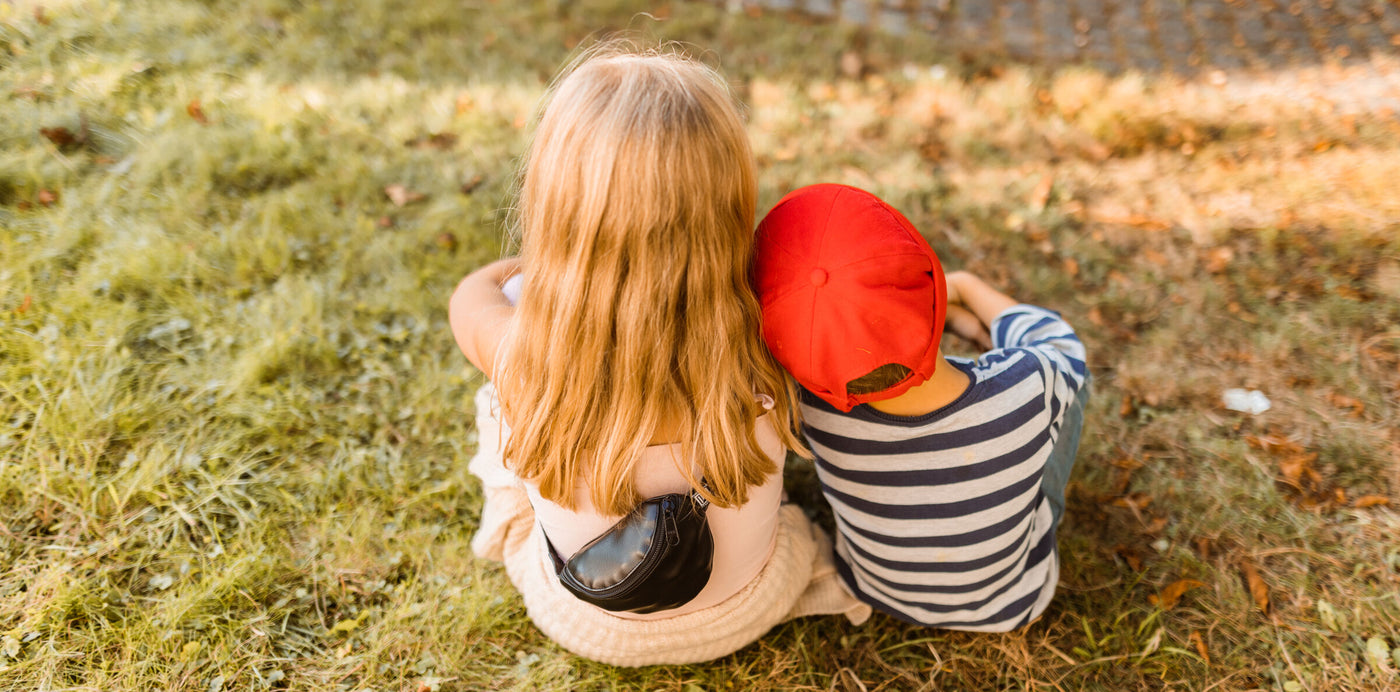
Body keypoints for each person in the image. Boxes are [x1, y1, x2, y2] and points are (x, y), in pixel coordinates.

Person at [448, 46, 869, 666]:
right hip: (748, 605)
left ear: (561, 214)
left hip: (585, 613)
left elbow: (472, 294)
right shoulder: (769, 341)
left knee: (497, 400)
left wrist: (545, 266)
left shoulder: (520, 356)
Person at [751, 183, 1089, 631]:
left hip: (873, 588)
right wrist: (964, 285)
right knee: (1073, 384)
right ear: (935, 284)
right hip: (1013, 602)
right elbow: (1059, 341)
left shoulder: (807, 403)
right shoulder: (1027, 384)